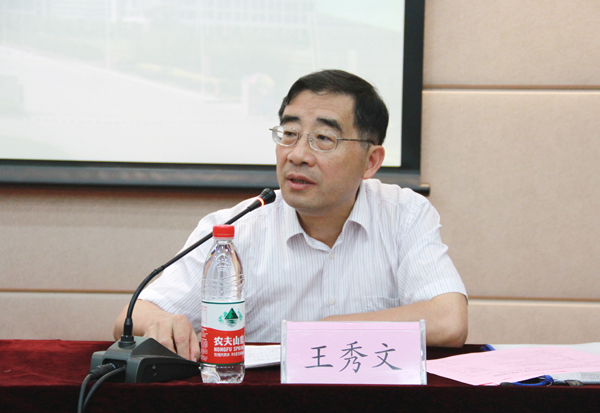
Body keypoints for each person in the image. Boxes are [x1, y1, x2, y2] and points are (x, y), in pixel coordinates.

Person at [113, 69, 468, 361]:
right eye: (289, 134)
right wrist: (162, 323)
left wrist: (325, 331)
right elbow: (130, 319)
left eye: (323, 138)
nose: (297, 155)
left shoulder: (404, 214)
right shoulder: (235, 228)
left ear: (371, 161)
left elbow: (449, 322)